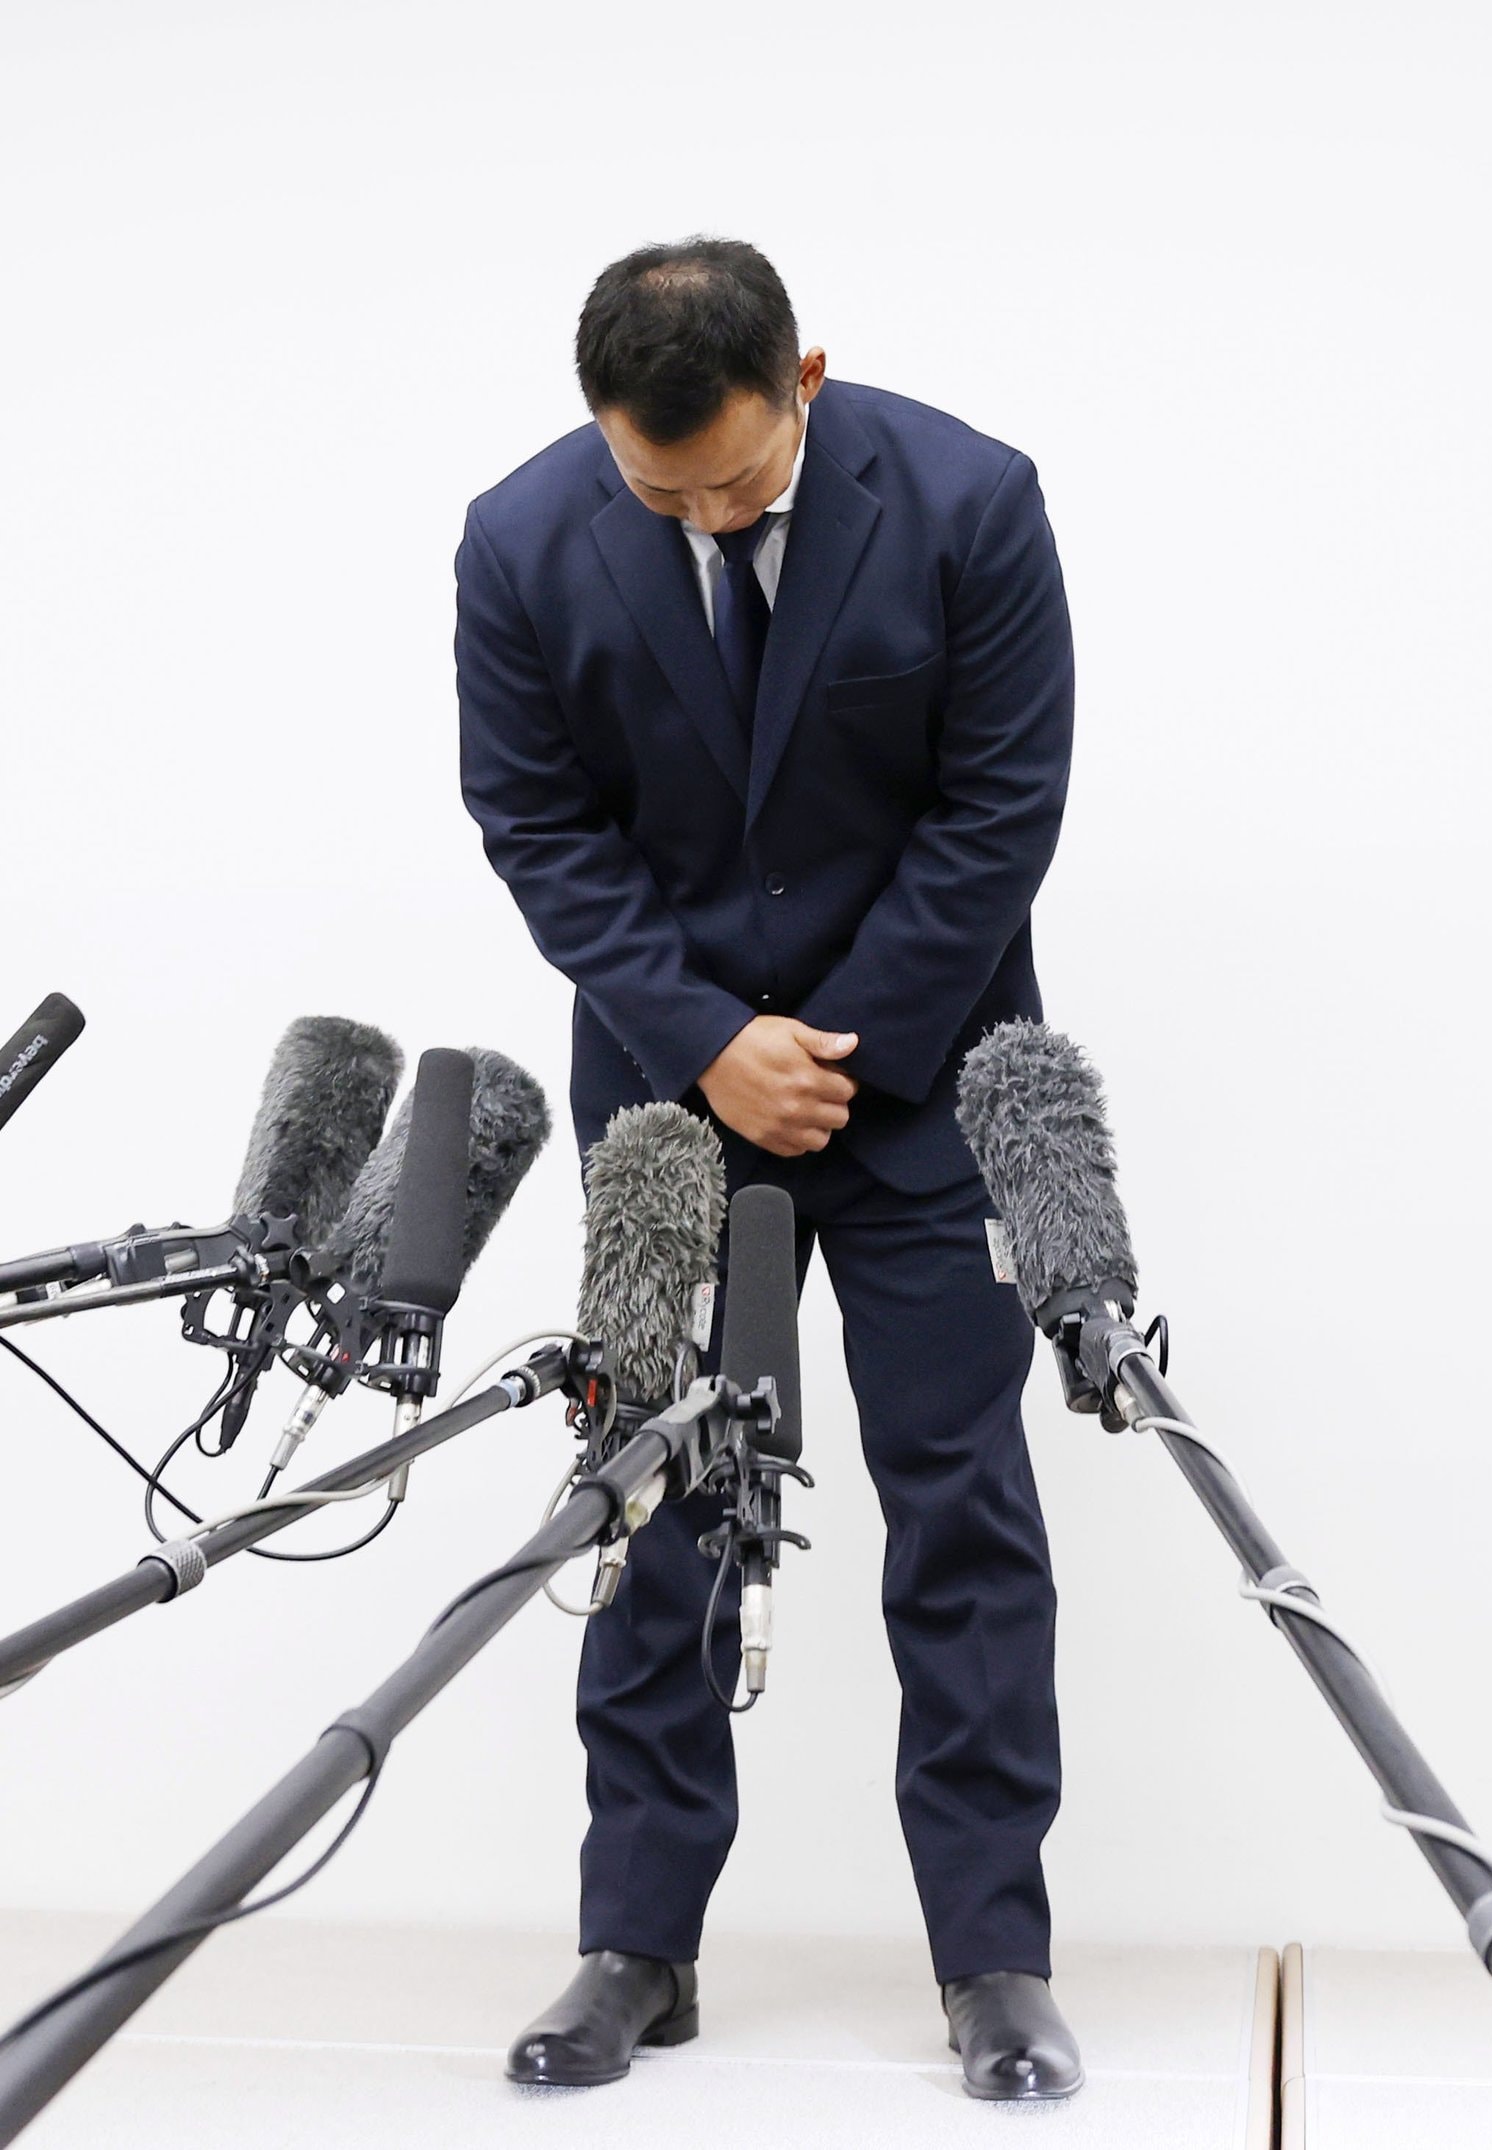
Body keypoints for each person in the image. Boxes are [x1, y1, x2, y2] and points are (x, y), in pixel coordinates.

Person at [453, 236, 1082, 2103]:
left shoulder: (972, 501)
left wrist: (841, 1046)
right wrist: (709, 1037)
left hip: (919, 1079)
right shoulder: (518, 539)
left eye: (736, 480)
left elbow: (1002, 807)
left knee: (959, 1508)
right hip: (665, 1091)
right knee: (647, 1506)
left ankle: (994, 1957)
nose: (704, 516)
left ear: (808, 371)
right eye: (663, 494)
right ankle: (636, 1941)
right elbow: (537, 823)